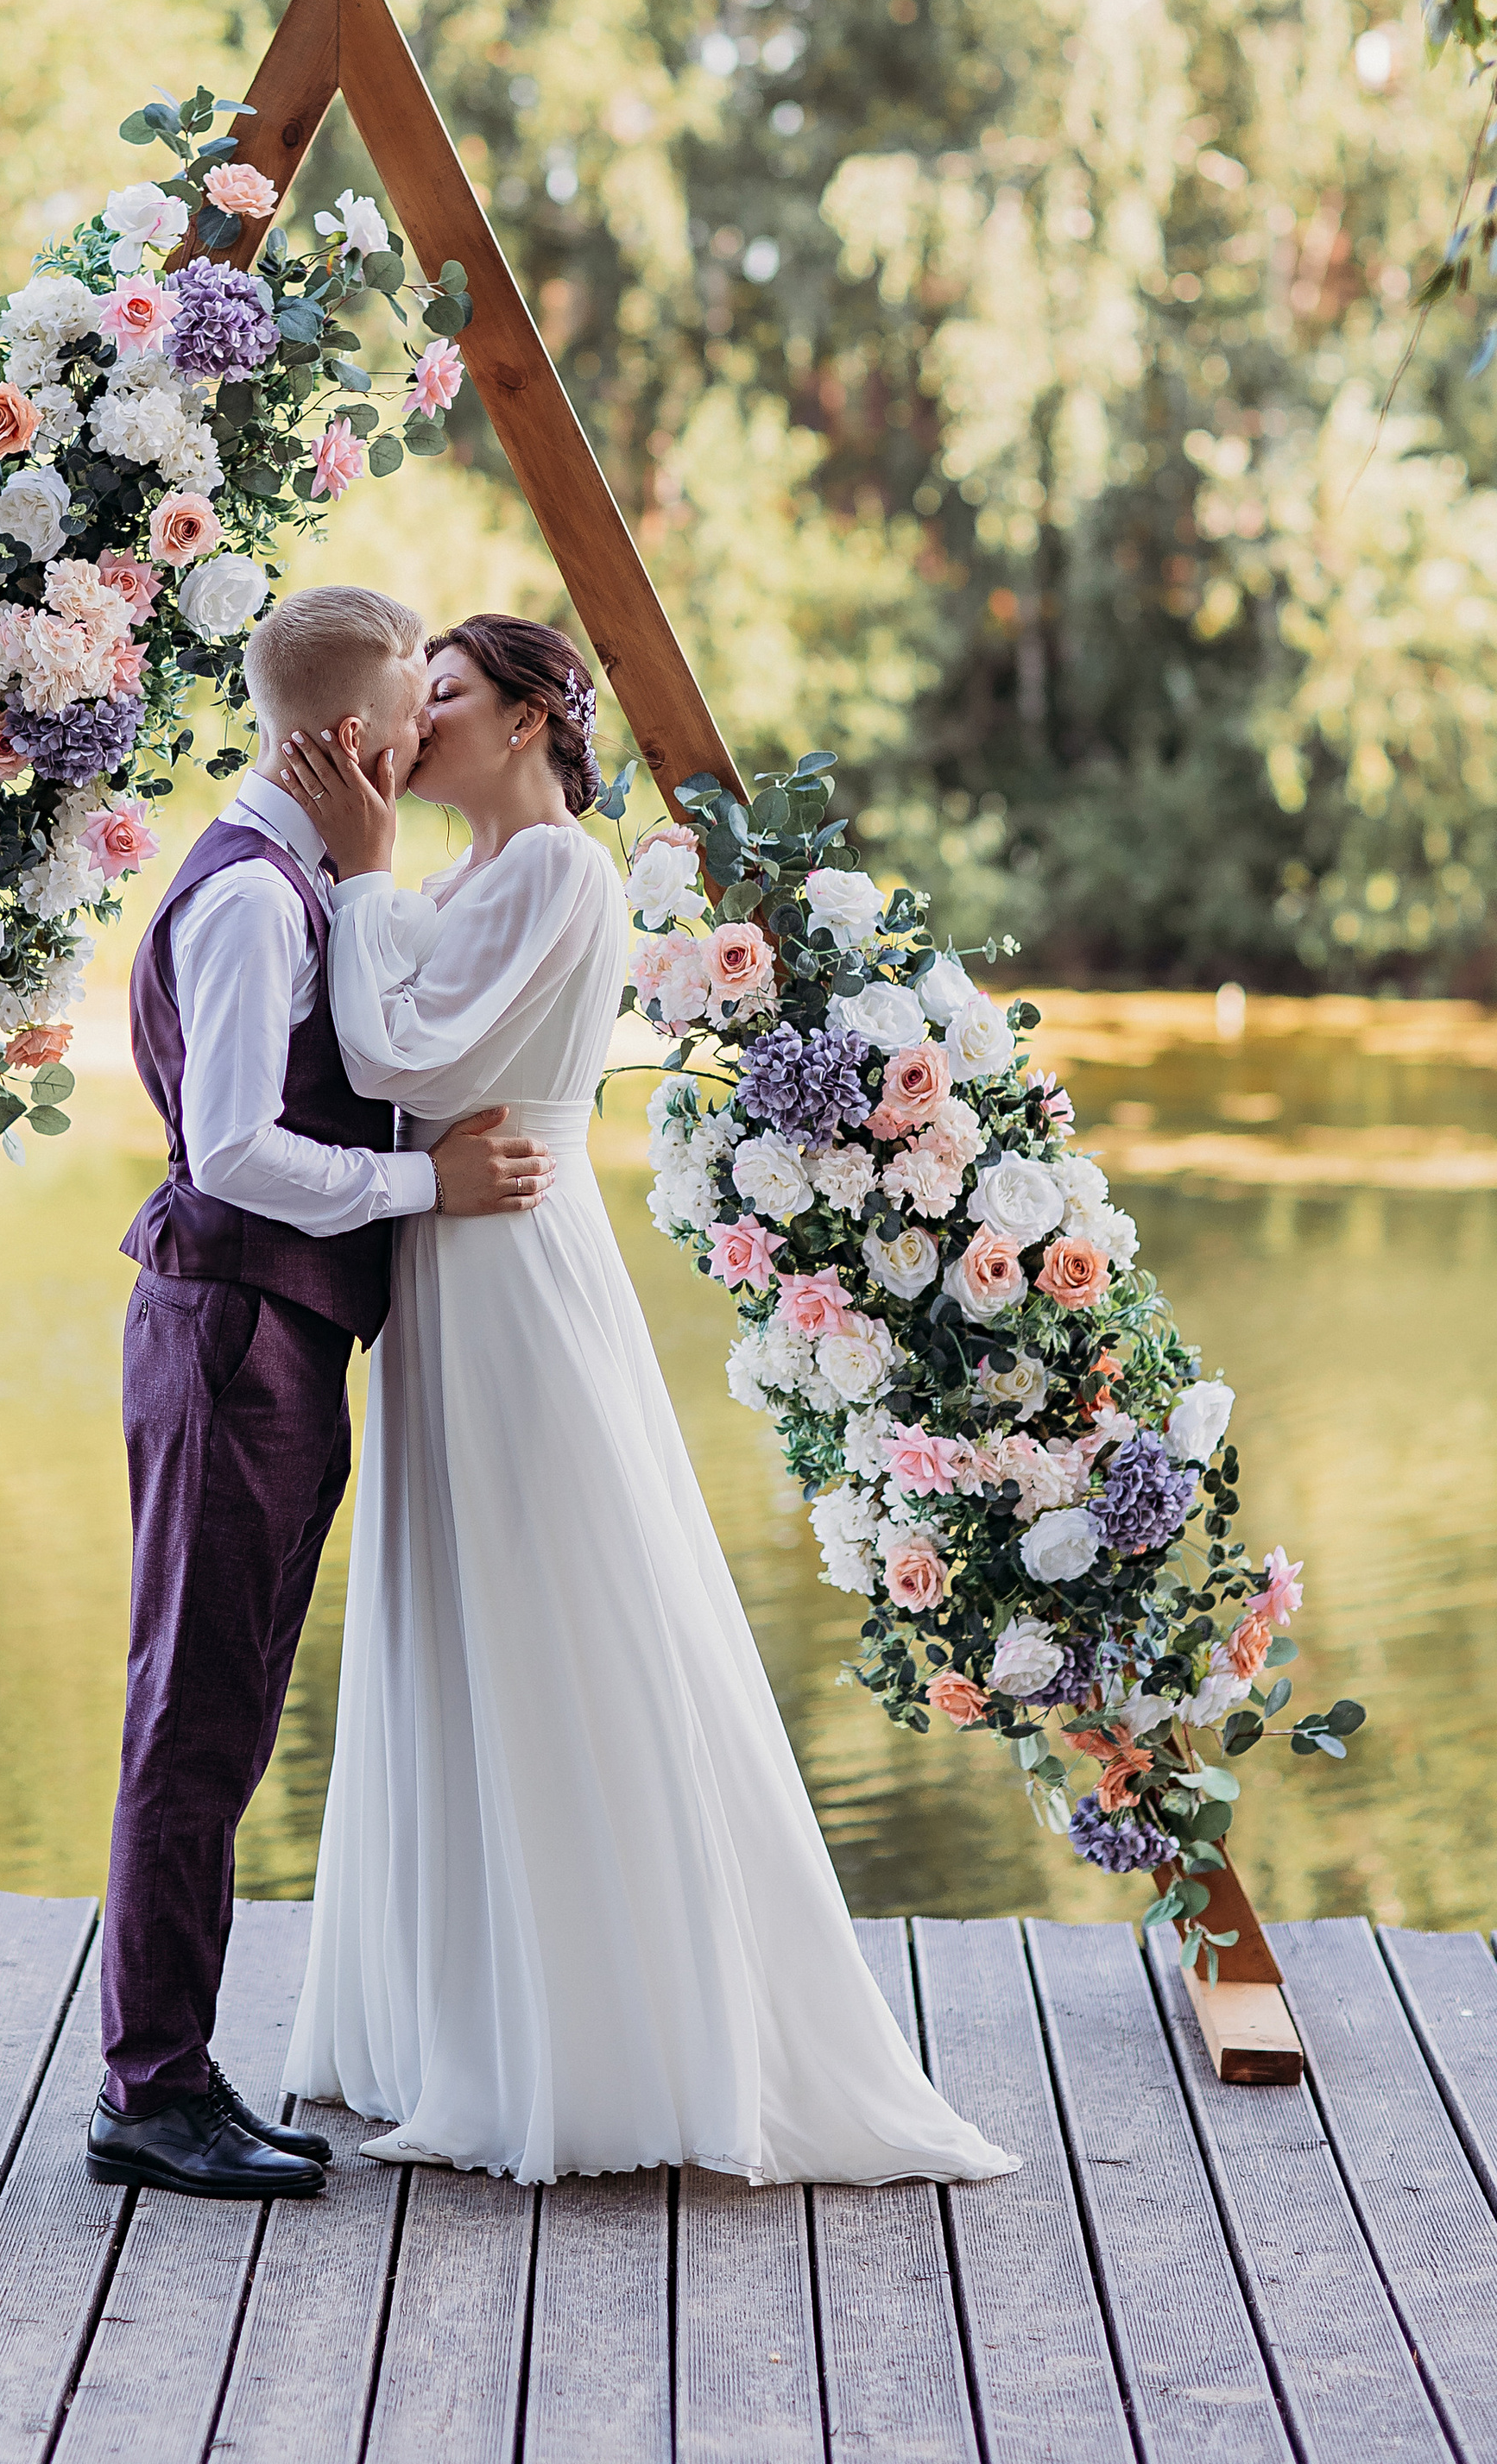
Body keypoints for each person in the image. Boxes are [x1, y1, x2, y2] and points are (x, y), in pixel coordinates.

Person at [272, 614, 1017, 2188]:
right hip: (440, 1265)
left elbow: (398, 1057)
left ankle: (603, 2046)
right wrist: (376, 874)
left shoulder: (559, 868)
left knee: (557, 1614)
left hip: (512, 1274)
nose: (416, 724)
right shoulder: (468, 875)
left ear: (538, 715)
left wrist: (352, 873)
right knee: (455, 1623)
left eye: (449, 696)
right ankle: (462, 2016)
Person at [86, 584, 558, 2203]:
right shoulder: (251, 905)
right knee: (193, 1714)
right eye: (415, 720)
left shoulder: (301, 881)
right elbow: (230, 1151)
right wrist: (428, 1199)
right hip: (233, 1337)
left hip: (268, 1337)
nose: (432, 738)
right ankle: (151, 2093)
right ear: (354, 739)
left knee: (222, 1704)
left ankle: (173, 2073)